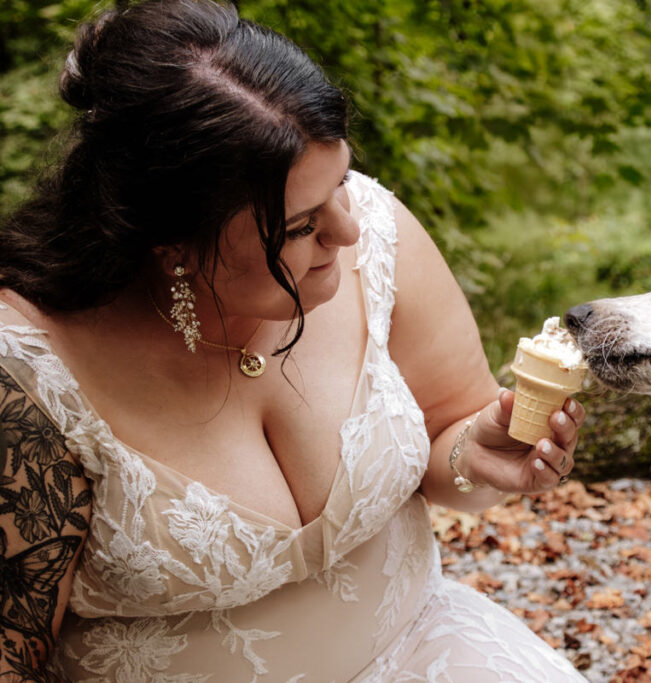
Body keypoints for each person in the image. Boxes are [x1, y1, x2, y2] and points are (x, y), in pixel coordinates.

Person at [0, 0, 589, 679]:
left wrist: (474, 456)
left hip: (432, 654)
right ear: (175, 244)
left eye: (341, 182)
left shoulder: (374, 233)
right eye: (303, 224)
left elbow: (452, 427)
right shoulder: (30, 378)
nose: (350, 229)